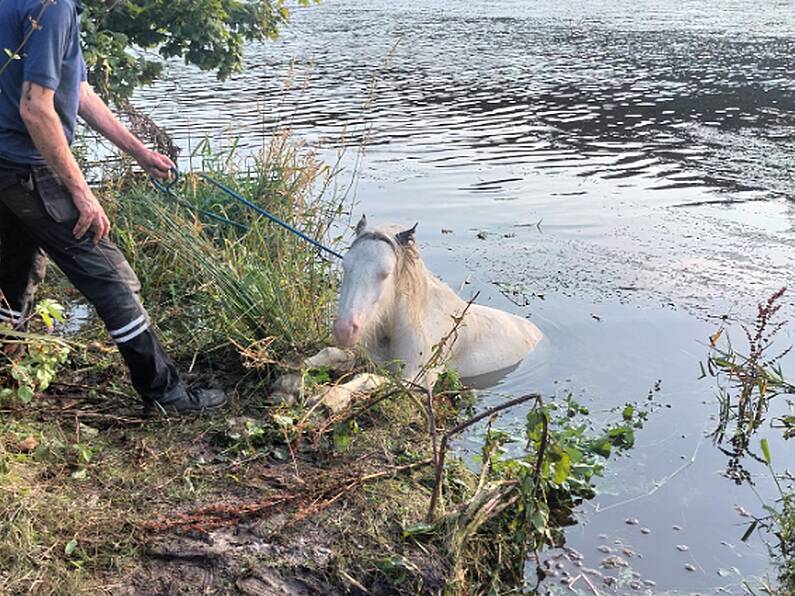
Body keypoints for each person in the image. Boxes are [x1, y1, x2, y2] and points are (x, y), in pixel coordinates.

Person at [0, 0, 226, 414]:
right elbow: (35, 109)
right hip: (28, 167)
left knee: (14, 271)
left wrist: (139, 151)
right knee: (111, 278)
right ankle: (165, 395)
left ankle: (8, 370)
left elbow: (78, 90)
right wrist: (82, 192)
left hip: (6, 163)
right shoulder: (52, 6)